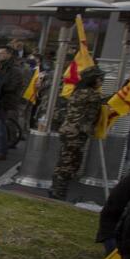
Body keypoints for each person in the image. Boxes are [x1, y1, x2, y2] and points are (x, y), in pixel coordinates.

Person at [50, 67, 105, 200]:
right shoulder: (93, 94)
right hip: (78, 132)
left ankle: (55, 188)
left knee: (64, 159)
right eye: (99, 78)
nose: (101, 81)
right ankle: (59, 192)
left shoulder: (77, 91)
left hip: (68, 129)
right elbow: (96, 113)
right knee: (70, 162)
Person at [0, 45, 25, 160]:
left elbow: (12, 86)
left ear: (8, 54)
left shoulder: (14, 70)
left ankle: (2, 150)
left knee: (1, 126)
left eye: (1, 53)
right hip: (0, 99)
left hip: (6, 101)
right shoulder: (1, 67)